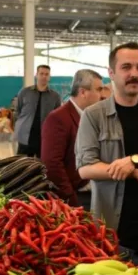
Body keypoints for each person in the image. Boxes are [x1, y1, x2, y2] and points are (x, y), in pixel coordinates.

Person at [77, 43, 138, 258]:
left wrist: (134, 160)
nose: (134, 74)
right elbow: (86, 168)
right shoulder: (93, 115)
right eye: (126, 67)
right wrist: (135, 171)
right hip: (111, 224)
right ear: (111, 73)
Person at [43, 69, 103, 208]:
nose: (102, 95)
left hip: (93, 192)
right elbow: (52, 164)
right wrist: (71, 200)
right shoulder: (58, 118)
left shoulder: (91, 117)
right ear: (83, 92)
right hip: (76, 196)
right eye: (98, 89)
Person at [14, 65, 61, 157]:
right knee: (22, 164)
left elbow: (57, 116)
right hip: (25, 135)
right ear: (36, 75)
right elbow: (18, 111)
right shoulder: (24, 92)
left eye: (47, 74)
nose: (44, 76)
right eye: (41, 74)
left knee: (42, 164)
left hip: (44, 136)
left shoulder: (55, 96)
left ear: (49, 77)